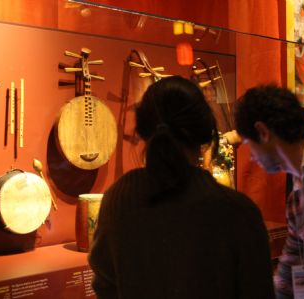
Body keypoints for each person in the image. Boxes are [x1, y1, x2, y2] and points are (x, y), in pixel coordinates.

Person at [88, 76, 275, 299]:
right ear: (206, 133)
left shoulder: (118, 199)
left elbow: (105, 287)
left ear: (144, 129)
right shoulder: (239, 212)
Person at [233, 84, 304, 299]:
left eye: (248, 145)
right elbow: (289, 278)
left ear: (263, 132)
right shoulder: (297, 200)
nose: (252, 157)